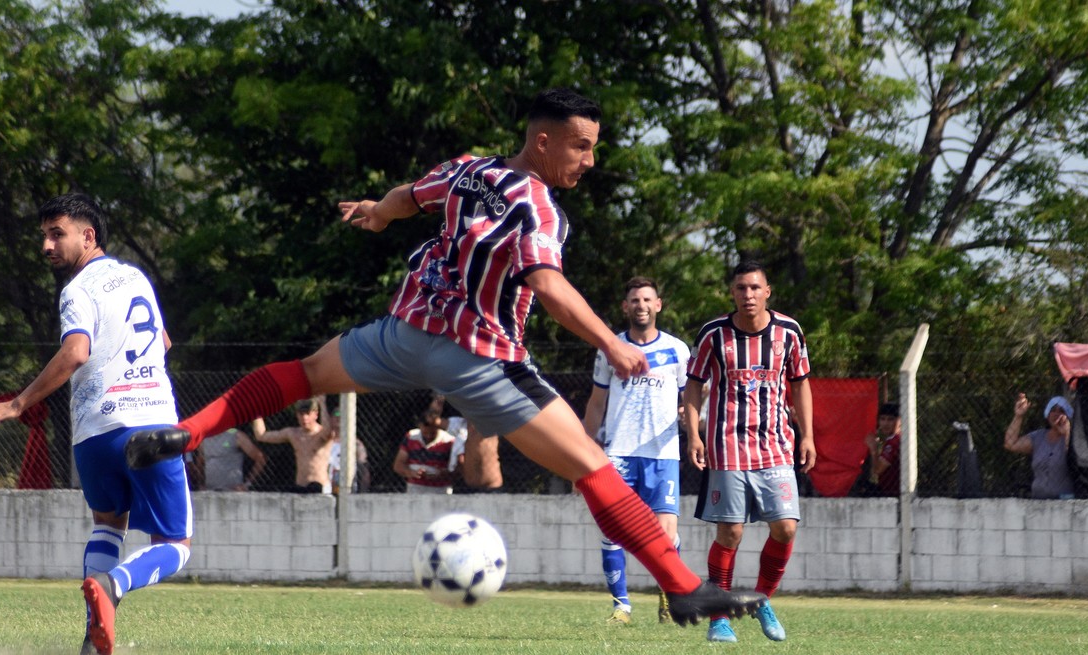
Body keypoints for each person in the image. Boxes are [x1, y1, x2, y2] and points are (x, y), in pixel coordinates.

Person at [124, 87, 764, 626]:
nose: (589, 160)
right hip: (478, 358)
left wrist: (376, 213)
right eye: (582, 145)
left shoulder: (468, 170)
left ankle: (187, 432)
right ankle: (682, 586)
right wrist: (611, 341)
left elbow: (410, 195)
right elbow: (547, 284)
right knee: (594, 467)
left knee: (305, 373)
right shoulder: (538, 204)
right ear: (543, 141)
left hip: (403, 335)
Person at [0, 193, 191, 655]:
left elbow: (77, 351)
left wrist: (17, 403)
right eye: (45, 236)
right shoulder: (136, 277)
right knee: (176, 544)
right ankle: (113, 587)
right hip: (149, 423)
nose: (47, 246)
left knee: (108, 525)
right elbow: (163, 343)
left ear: (88, 236)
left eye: (57, 234)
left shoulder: (76, 290)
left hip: (94, 434)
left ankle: (91, 641)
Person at [683, 260, 816, 643]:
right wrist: (694, 434)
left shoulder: (789, 332)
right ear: (733, 293)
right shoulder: (714, 334)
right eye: (741, 288)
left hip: (776, 444)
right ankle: (718, 617)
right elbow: (693, 385)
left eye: (755, 288)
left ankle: (761, 599)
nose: (748, 295)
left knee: (786, 527)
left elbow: (801, 383)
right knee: (730, 532)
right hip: (727, 446)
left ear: (767, 291)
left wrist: (807, 435)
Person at [581, 276, 689, 625]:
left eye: (647, 299)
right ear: (625, 307)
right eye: (634, 300)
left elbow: (692, 400)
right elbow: (596, 405)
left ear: (658, 305)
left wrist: (694, 426)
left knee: (665, 533)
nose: (641, 305)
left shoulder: (678, 350)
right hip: (619, 453)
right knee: (612, 530)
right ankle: (621, 607)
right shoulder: (610, 349)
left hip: (664, 453)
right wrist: (582, 453)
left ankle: (668, 599)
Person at [252, 397, 333, 494]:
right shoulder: (293, 434)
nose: (304, 418)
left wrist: (322, 404)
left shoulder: (321, 434)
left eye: (307, 414)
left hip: (320, 486)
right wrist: (256, 410)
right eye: (301, 414)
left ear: (315, 415)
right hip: (300, 486)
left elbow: (328, 432)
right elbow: (261, 435)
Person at [1004, 393, 1075, 499]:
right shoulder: (1038, 437)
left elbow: (1073, 460)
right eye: (1053, 410)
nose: (1056, 414)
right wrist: (1018, 416)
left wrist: (1067, 434)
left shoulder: (1074, 438)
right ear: (1047, 414)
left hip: (1065, 501)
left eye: (1061, 411)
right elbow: (1010, 444)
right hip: (1039, 501)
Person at [394, 406, 457, 494]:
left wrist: (442, 474)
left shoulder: (449, 441)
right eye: (425, 433)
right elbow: (398, 465)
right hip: (414, 489)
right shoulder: (411, 436)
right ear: (419, 426)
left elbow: (456, 471)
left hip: (441, 491)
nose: (428, 436)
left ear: (438, 427)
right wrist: (411, 473)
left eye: (432, 433)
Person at [193, 427, 266, 491]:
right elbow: (200, 463)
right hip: (210, 492)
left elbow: (260, 458)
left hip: (233, 493)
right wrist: (201, 484)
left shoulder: (236, 435)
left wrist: (247, 484)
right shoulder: (204, 438)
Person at [856, 402, 901, 497]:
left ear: (900, 421)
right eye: (882, 419)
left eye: (890, 420)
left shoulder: (893, 442)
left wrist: (874, 450)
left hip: (891, 492)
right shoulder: (895, 439)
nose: (885, 424)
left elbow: (877, 470)